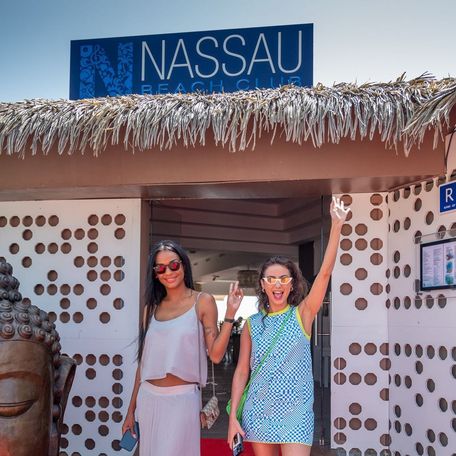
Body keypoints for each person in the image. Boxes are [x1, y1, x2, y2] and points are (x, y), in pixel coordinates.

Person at [227, 197, 350, 456]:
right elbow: (241, 372)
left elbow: (325, 273)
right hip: (258, 409)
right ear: (262, 285)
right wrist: (232, 417)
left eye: (283, 278)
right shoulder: (252, 323)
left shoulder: (302, 314)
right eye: (271, 279)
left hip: (297, 410)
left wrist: (337, 226)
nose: (277, 284)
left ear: (292, 283)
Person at [122, 239, 243, 456]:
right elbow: (143, 364)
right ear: (155, 274)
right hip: (148, 400)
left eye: (174, 265)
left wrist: (230, 315)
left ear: (184, 265)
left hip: (182, 401)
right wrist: (130, 411)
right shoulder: (150, 309)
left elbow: (216, 355)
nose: (168, 271)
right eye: (160, 268)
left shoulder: (202, 302)